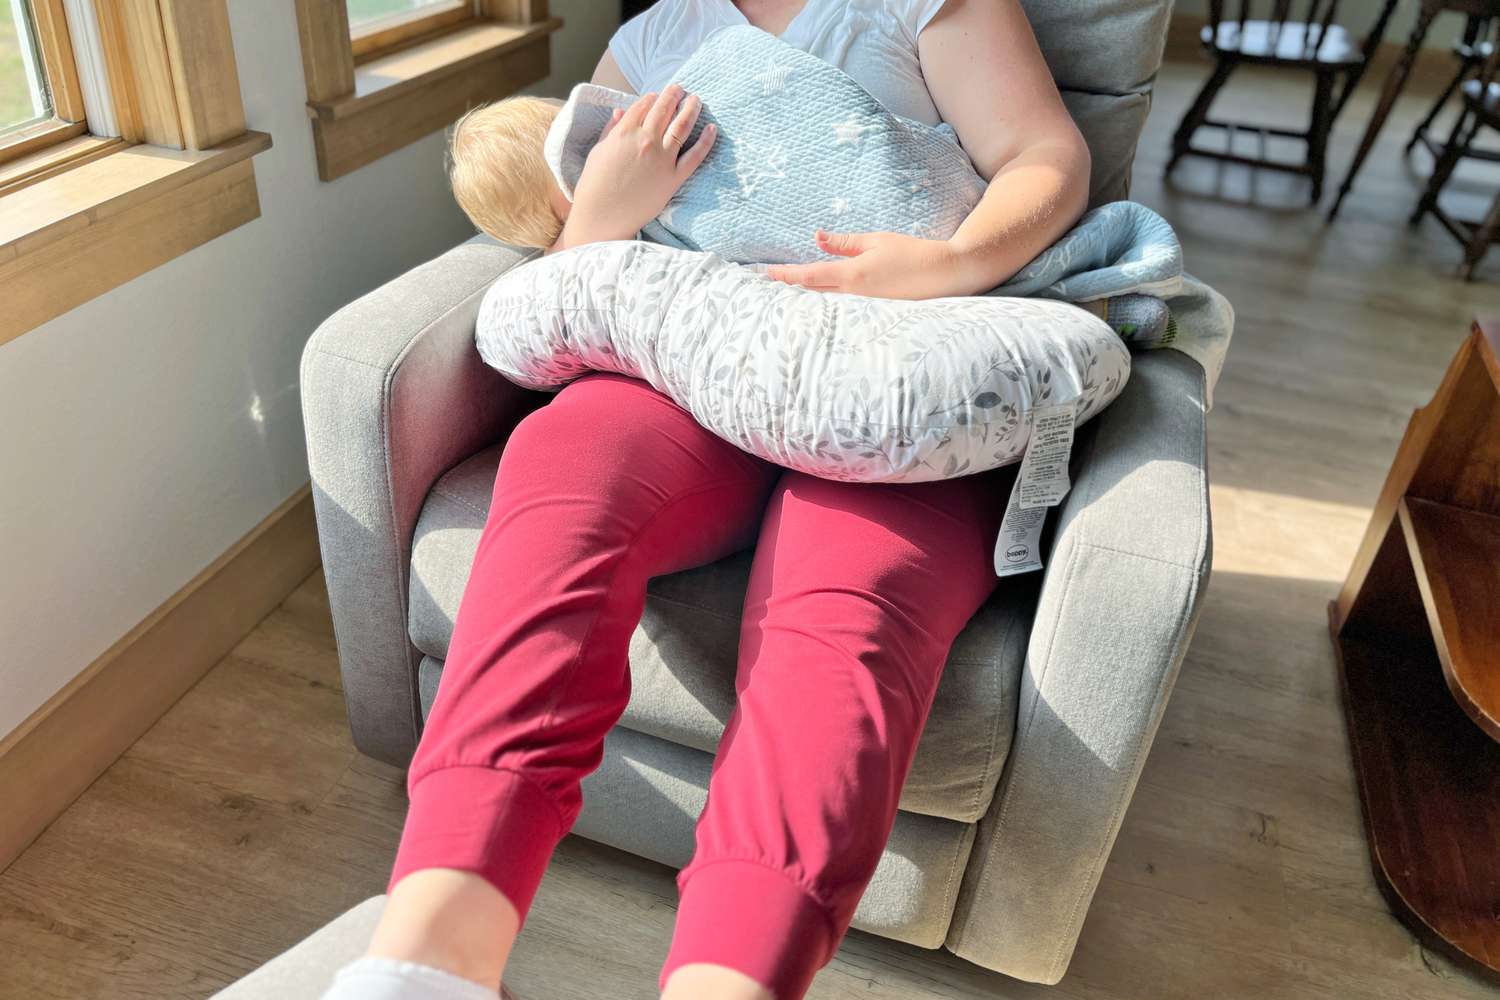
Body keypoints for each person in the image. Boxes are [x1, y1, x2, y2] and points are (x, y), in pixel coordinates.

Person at [321, 2, 1091, 999]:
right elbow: (579, 284)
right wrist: (600, 216)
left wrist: (947, 265)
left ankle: (731, 979)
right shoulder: (652, 39)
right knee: (566, 470)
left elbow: (1044, 153)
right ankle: (426, 963)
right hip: (692, 362)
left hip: (900, 377)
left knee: (848, 596)